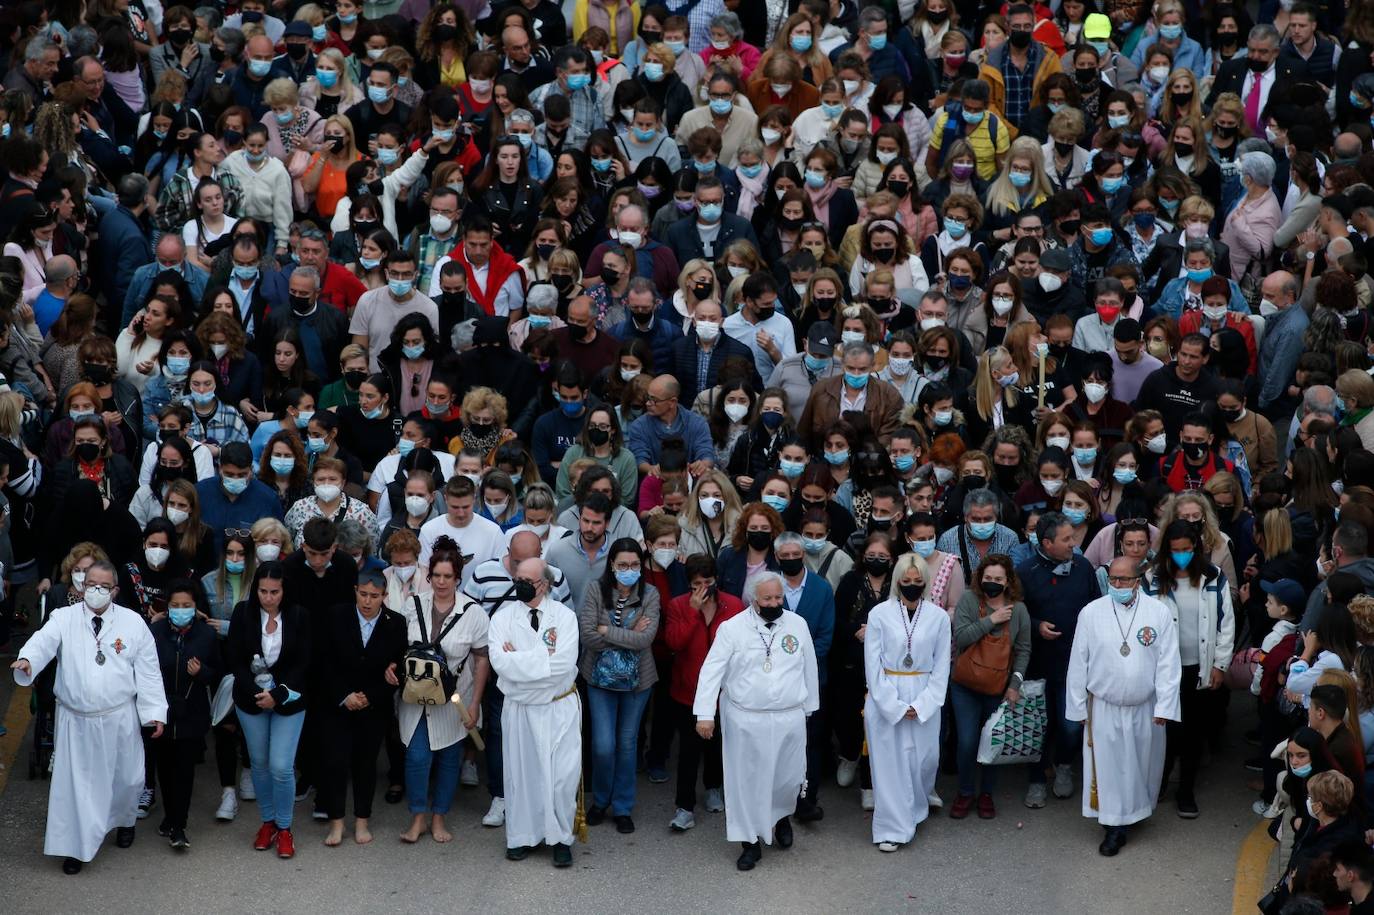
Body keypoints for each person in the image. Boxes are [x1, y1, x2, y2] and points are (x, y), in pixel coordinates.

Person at [10, 560, 167, 875]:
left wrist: (153, 712)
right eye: (89, 584)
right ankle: (75, 847)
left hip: (119, 717)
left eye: (103, 586)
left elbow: (148, 671)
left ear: (115, 590)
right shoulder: (63, 618)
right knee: (77, 786)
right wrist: (27, 659)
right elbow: (43, 641)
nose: (95, 591)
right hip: (76, 720)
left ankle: (124, 821)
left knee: (127, 779)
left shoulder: (133, 623)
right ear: (81, 585)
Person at [693, 572, 819, 871]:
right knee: (746, 782)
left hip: (789, 716)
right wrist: (705, 715)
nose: (775, 603)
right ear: (753, 599)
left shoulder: (797, 624)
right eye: (768, 599)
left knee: (786, 778)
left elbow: (809, 666)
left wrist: (810, 708)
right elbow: (711, 671)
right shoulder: (732, 629)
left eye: (778, 597)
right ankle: (749, 843)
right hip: (746, 719)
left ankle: (781, 818)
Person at [1065, 555, 1181, 856]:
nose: (1118, 585)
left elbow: (1169, 663)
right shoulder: (1091, 613)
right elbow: (1078, 663)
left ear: (1138, 579)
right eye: (1113, 579)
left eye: (1124, 579)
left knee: (1141, 763)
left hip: (1145, 705)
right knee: (1110, 767)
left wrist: (1165, 707)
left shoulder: (1159, 612)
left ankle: (1134, 811)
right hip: (1104, 706)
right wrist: (1077, 708)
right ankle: (1114, 827)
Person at [487, 557, 582, 867]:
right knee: (521, 774)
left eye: (528, 580)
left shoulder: (565, 618)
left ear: (545, 584)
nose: (520, 585)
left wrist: (521, 665)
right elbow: (500, 664)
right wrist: (540, 659)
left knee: (561, 778)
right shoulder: (502, 619)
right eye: (518, 578)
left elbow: (564, 665)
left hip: (559, 707)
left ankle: (561, 839)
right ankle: (522, 836)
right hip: (520, 711)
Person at [864, 553, 951, 851]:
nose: (912, 586)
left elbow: (942, 666)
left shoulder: (939, 617)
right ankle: (892, 827)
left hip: (924, 690)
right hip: (887, 693)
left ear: (925, 582)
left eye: (917, 581)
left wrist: (924, 704)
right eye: (906, 581)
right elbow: (872, 666)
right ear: (897, 581)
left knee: (922, 761)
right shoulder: (879, 614)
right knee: (889, 764)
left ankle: (915, 808)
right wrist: (895, 706)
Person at [318, 568, 407, 848]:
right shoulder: (336, 615)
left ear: (385, 596)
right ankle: (336, 823)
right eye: (364, 594)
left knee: (365, 763)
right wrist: (344, 695)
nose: (368, 601)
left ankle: (362, 820)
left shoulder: (397, 623)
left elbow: (397, 669)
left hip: (373, 705)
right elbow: (324, 662)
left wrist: (371, 695)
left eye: (375, 596)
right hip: (338, 703)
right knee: (335, 762)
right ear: (355, 591)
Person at [227, 562, 310, 860]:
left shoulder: (299, 615)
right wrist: (256, 693)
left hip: (288, 701)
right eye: (263, 591)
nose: (268, 597)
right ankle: (268, 823)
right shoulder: (242, 613)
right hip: (251, 700)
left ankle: (285, 828)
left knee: (281, 766)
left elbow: (303, 663)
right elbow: (234, 659)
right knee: (259, 764)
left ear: (284, 590)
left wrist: (277, 694)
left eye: (274, 592)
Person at [578, 538, 661, 832]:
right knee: (602, 745)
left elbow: (645, 640)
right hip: (599, 680)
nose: (629, 570)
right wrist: (626, 630)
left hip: (638, 683)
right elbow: (588, 635)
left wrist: (607, 630)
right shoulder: (594, 590)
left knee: (626, 745)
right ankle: (601, 800)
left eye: (635, 565)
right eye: (623, 565)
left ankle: (623, 807)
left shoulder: (650, 594)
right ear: (611, 565)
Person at [950, 555, 1032, 820]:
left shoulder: (1018, 610)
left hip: (998, 688)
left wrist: (1015, 684)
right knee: (967, 742)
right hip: (965, 685)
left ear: (1008, 581)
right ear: (979, 578)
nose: (992, 583)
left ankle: (986, 793)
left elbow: (1023, 650)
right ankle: (965, 792)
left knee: (993, 742)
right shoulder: (968, 600)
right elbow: (961, 637)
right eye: (988, 578)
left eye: (998, 579)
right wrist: (992, 620)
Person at [147, 579, 221, 850]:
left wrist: (201, 673)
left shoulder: (207, 635)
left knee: (185, 771)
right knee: (164, 770)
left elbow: (218, 674)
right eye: (175, 605)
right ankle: (169, 816)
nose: (181, 610)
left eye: (186, 605)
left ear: (195, 607)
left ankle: (179, 825)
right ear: (167, 607)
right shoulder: (154, 632)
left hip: (192, 714)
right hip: (162, 713)